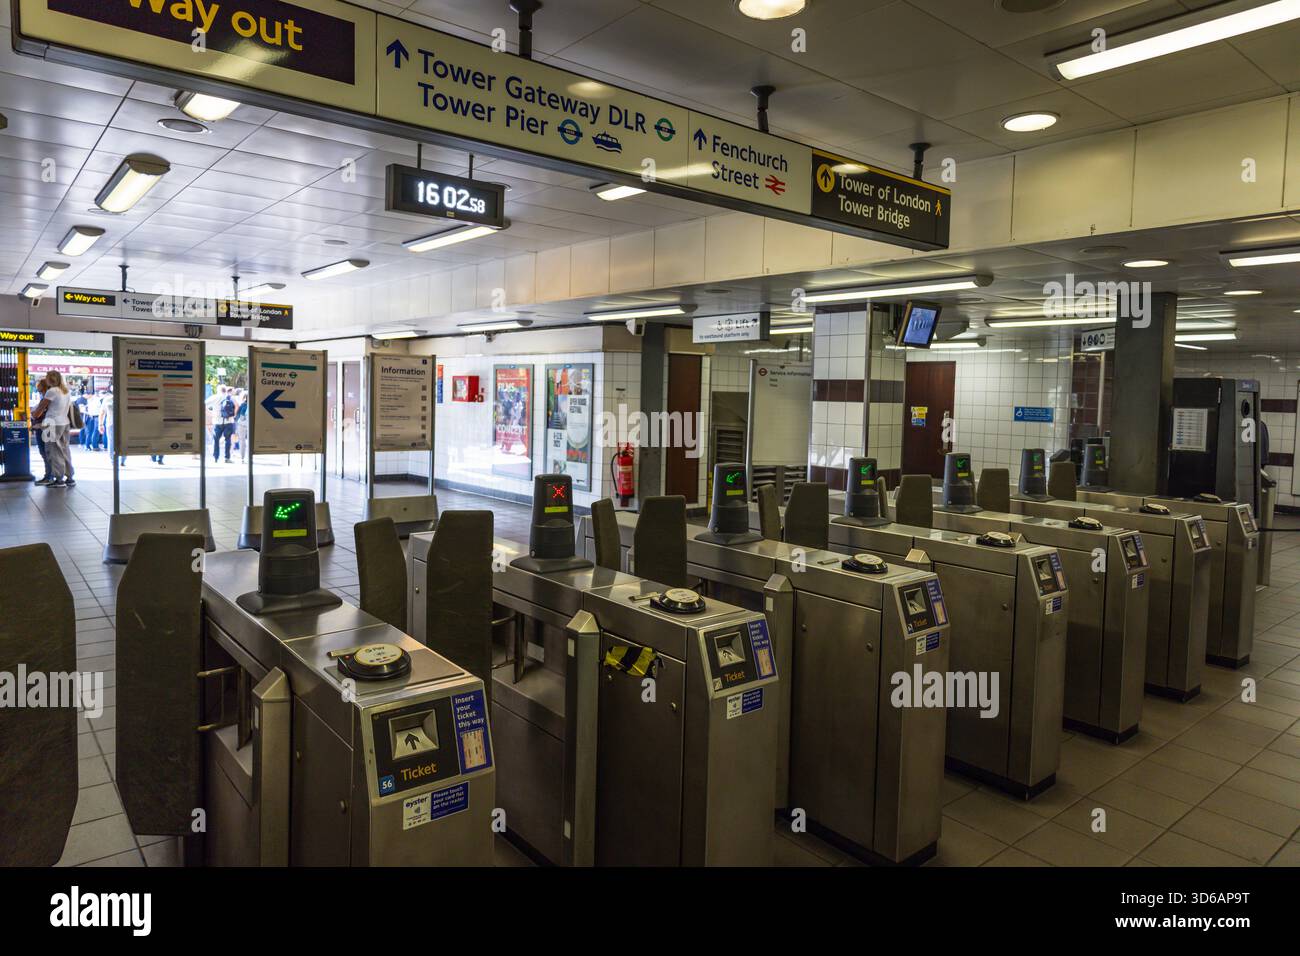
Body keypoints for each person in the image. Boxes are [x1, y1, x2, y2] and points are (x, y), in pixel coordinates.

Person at [33, 370, 74, 487]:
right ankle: (70, 478)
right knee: (64, 450)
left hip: (52, 423)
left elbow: (41, 408)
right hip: (65, 423)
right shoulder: (66, 391)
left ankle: (59, 479)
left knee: (53, 451)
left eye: (47, 377)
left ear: (50, 379)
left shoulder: (52, 391)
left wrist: (34, 414)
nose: (45, 379)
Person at [31, 377, 52, 484]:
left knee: (45, 453)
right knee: (46, 453)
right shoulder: (48, 398)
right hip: (44, 428)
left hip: (43, 428)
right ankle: (49, 475)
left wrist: (33, 413)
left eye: (40, 390)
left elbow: (37, 414)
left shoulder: (47, 399)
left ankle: (49, 476)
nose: (39, 392)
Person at [214, 386, 236, 463]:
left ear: (218, 390)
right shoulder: (231, 398)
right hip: (229, 421)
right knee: (228, 439)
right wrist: (234, 416)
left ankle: (216, 457)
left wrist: (211, 413)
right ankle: (227, 458)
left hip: (217, 422)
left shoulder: (215, 397)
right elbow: (237, 406)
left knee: (216, 440)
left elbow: (204, 404)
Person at [236, 388, 250, 463]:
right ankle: (247, 457)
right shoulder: (254, 405)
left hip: (241, 424)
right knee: (249, 442)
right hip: (249, 425)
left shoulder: (243, 405)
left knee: (242, 441)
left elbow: (238, 416)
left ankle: (242, 458)